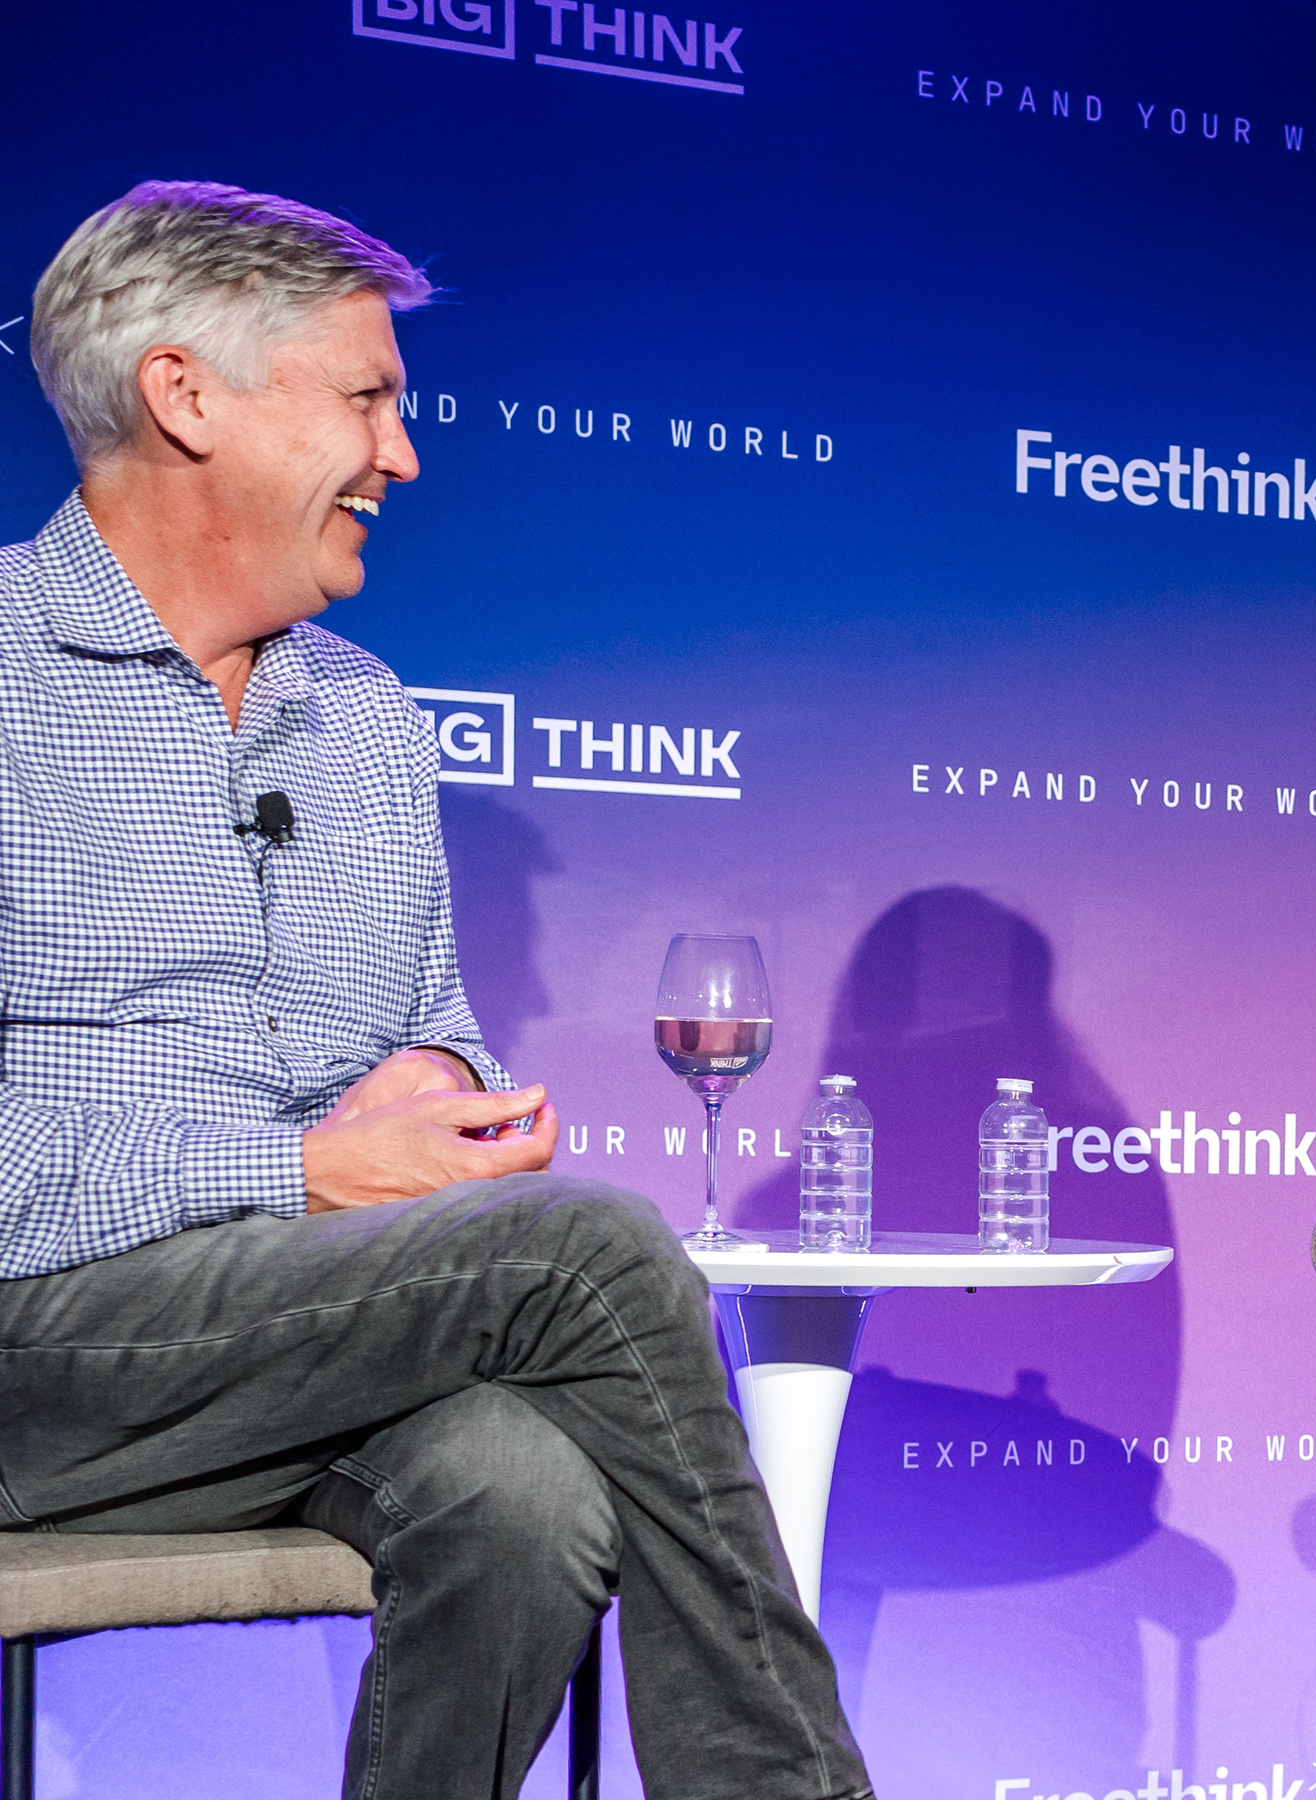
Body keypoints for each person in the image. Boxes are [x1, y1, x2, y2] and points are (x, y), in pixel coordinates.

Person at [0, 182, 870, 1800]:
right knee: (590, 1246)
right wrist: (301, 1170)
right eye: (366, 398)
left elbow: (436, 1032)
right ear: (185, 397)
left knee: (521, 1491)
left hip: (286, 1336)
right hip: (35, 1349)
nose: (402, 457)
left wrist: (439, 1104)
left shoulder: (368, 716)